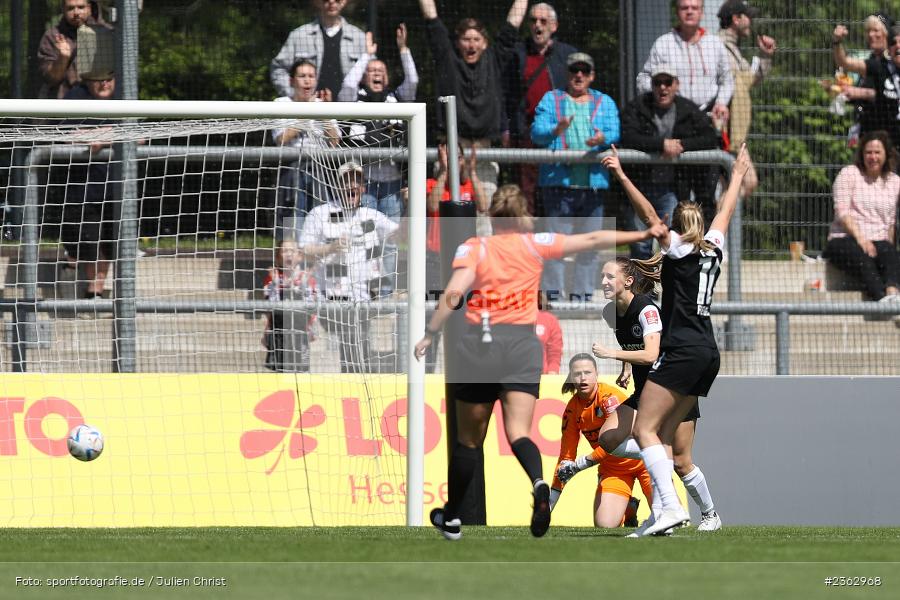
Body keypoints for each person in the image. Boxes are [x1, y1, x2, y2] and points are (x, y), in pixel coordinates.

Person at [413, 183, 666, 541]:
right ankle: (538, 485)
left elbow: (454, 293)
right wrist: (641, 232)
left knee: (470, 441)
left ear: (491, 216)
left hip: (480, 346)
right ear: (524, 216)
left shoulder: (476, 247)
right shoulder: (536, 244)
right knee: (518, 432)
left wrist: (430, 332)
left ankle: (452, 517)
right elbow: (593, 238)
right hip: (522, 345)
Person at [596, 143, 751, 536]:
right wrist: (735, 177)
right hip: (707, 350)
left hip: (680, 349)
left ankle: (669, 509)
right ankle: (666, 512)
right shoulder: (714, 249)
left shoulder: (679, 249)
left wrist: (622, 174)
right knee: (662, 436)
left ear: (677, 227)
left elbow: (648, 215)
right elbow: (727, 212)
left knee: (644, 430)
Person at [588, 257, 721, 534]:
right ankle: (659, 458)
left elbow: (650, 353)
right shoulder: (609, 312)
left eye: (610, 277)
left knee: (683, 464)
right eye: (602, 276)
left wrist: (612, 355)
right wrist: (626, 365)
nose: (603, 282)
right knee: (608, 438)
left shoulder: (647, 310)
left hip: (672, 389)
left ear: (628, 281)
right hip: (644, 391)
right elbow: (631, 344)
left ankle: (710, 515)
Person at [531, 51, 620, 301]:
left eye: (584, 70)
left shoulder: (605, 102)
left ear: (592, 76)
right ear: (567, 74)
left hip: (593, 187)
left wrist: (603, 139)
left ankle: (582, 298)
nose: (578, 74)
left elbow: (615, 131)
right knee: (555, 246)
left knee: (590, 247)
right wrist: (555, 129)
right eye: (574, 70)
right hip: (558, 185)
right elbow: (537, 132)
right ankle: (554, 299)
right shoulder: (552, 99)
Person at [339, 24, 419, 296]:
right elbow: (348, 84)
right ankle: (361, 289)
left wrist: (403, 49)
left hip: (392, 184)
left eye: (381, 72)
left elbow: (414, 82)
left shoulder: (396, 99)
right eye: (371, 72)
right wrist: (365, 55)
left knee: (391, 240)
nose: (376, 75)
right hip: (364, 183)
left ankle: (385, 289)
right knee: (363, 239)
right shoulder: (355, 99)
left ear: (387, 78)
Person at [299, 161, 399, 372]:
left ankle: (355, 386)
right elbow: (303, 249)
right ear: (337, 186)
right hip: (331, 300)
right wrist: (330, 248)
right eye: (346, 180)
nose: (351, 185)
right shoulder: (321, 213)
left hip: (363, 300)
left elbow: (400, 235)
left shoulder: (370, 215)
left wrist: (411, 205)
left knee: (358, 352)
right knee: (351, 349)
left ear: (363, 188)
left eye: (357, 181)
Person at [417, 0, 521, 200]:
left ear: (485, 42)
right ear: (458, 42)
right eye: (466, 39)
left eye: (476, 39)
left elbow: (514, 22)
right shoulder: (448, 58)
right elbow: (431, 17)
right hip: (452, 152)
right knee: (446, 216)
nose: (471, 44)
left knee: (483, 216)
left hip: (484, 154)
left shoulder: (495, 59)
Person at [620, 64, 721, 259]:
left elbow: (709, 137)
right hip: (640, 187)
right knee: (641, 245)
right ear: (652, 85)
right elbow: (627, 136)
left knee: (672, 244)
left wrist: (682, 145)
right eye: (658, 82)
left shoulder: (687, 109)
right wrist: (661, 145)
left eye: (667, 82)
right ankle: (643, 289)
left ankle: (666, 287)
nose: (662, 88)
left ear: (676, 85)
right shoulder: (637, 107)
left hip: (672, 189)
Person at [550, 354, 653, 528]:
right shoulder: (571, 410)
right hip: (614, 470)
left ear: (596, 374)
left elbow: (615, 441)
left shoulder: (609, 398)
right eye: (577, 374)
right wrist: (549, 505)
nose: (583, 378)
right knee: (604, 525)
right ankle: (629, 508)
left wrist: (583, 463)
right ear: (571, 377)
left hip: (646, 464)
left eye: (587, 372)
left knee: (672, 521)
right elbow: (566, 456)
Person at [504, 2, 579, 212]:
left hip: (559, 135)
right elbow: (507, 93)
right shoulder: (517, 54)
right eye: (533, 20)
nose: (538, 25)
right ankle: (529, 237)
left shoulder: (567, 55)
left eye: (543, 21)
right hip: (526, 134)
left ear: (554, 26)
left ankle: (553, 238)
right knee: (526, 190)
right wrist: (506, 127)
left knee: (556, 187)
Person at [423, 143, 490, 372]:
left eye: (458, 157)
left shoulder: (468, 183)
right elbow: (433, 206)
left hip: (465, 265)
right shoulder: (433, 184)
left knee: (463, 316)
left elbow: (483, 205)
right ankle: (428, 368)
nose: (455, 162)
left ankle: (465, 369)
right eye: (450, 157)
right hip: (434, 259)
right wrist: (443, 172)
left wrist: (471, 172)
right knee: (433, 312)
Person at [823, 130, 900, 315]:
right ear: (862, 154)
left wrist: (887, 253)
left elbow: (889, 223)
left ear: (886, 155)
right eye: (868, 152)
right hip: (844, 238)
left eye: (877, 152)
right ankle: (882, 299)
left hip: (879, 241)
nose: (872, 157)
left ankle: (893, 293)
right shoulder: (849, 174)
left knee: (890, 252)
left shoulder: (894, 182)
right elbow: (842, 213)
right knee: (862, 257)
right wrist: (862, 239)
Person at [61, 69, 117, 310]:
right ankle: (89, 290)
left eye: (109, 77)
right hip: (84, 188)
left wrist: (103, 137)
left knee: (110, 241)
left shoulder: (124, 97)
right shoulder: (76, 97)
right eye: (98, 79)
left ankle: (97, 292)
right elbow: (67, 135)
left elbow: (140, 137)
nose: (104, 83)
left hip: (116, 187)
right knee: (89, 241)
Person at [272, 59, 340, 240]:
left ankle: (316, 264)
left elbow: (334, 140)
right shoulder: (281, 103)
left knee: (320, 224)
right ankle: (290, 265)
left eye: (311, 76)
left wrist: (323, 112)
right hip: (291, 170)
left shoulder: (322, 104)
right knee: (291, 225)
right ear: (291, 81)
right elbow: (281, 137)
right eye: (302, 76)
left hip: (320, 170)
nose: (308, 81)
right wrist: (308, 112)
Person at [637, 0, 734, 126]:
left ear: (701, 12)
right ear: (677, 12)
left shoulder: (715, 44)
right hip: (672, 118)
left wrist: (721, 103)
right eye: (684, 8)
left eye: (694, 8)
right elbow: (643, 79)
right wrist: (661, 98)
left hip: (708, 118)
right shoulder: (663, 43)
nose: (689, 12)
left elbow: (727, 79)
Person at [718, 0, 775, 197]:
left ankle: (718, 225)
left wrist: (765, 56)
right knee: (746, 182)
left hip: (735, 133)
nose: (750, 21)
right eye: (747, 17)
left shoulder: (732, 48)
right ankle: (716, 225)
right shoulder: (719, 47)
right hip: (724, 131)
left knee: (742, 183)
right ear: (736, 19)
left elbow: (748, 81)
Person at [270, 0, 366, 100]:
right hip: (308, 111)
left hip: (350, 111)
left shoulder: (359, 37)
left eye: (337, 0)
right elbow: (278, 69)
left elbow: (371, 75)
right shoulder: (299, 35)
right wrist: (295, 95)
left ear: (344, 2)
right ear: (317, 2)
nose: (331, 2)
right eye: (326, 0)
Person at [832, 24, 900, 150]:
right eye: (893, 43)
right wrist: (837, 42)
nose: (897, 46)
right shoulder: (880, 68)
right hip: (888, 144)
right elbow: (845, 62)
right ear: (889, 49)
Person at [262, 239, 318, 372]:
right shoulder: (273, 277)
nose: (288, 254)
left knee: (301, 370)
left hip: (300, 332)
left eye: (292, 251)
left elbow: (311, 306)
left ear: (299, 256)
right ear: (278, 257)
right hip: (278, 333)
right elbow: (269, 306)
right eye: (284, 251)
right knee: (278, 370)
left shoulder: (306, 277)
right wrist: (275, 285)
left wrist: (303, 286)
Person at [38, 0, 111, 99]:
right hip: (64, 105)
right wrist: (63, 58)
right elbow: (51, 79)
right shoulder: (52, 36)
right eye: (70, 8)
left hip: (102, 104)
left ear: (89, 8)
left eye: (81, 7)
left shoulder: (106, 32)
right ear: (63, 9)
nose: (76, 13)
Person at [535, 293, 562, 374]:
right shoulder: (511, 318)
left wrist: (553, 371)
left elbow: (554, 350)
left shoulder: (549, 320)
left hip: (542, 376)